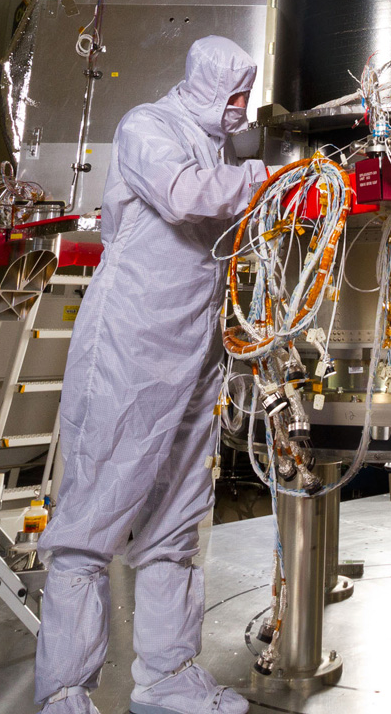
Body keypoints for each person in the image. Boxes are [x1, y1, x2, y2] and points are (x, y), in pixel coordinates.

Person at [35, 36, 270, 714]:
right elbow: (182, 196)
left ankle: (167, 678)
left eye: (244, 97)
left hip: (195, 352)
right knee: (94, 515)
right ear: (200, 85)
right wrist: (274, 178)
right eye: (232, 94)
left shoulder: (221, 147)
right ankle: (65, 691)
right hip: (130, 349)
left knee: (176, 521)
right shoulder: (147, 126)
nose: (238, 109)